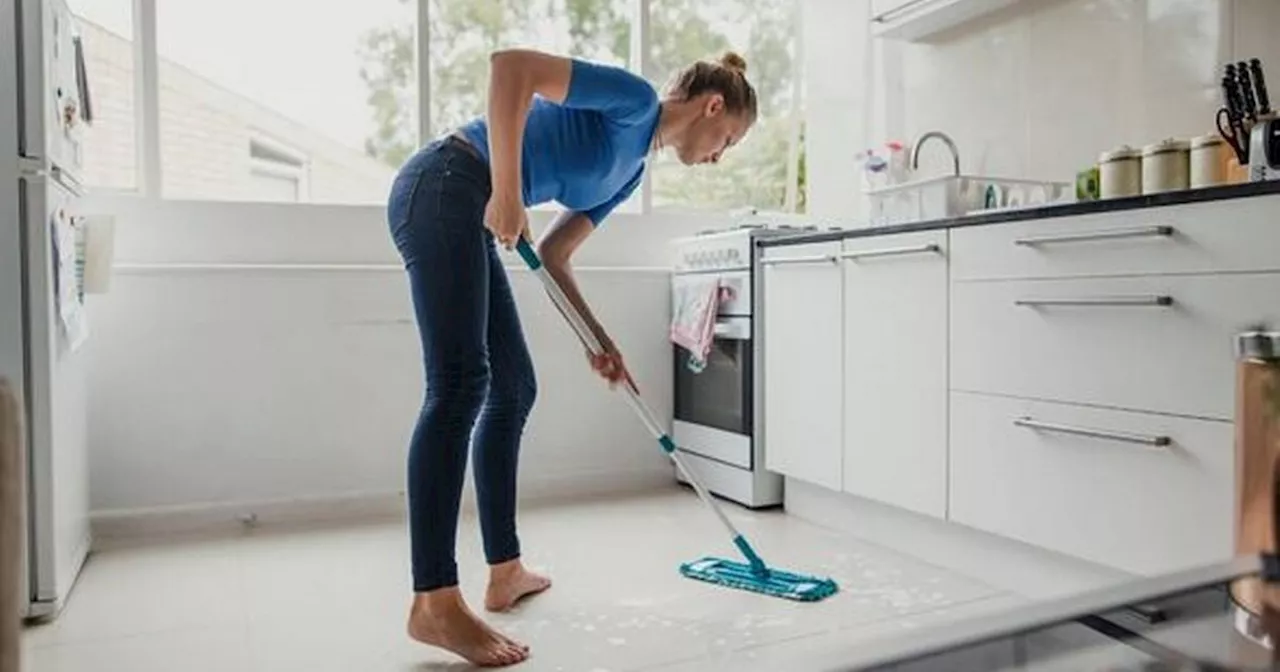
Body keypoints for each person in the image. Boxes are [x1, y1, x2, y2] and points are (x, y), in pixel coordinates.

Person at [385, 47, 758, 667]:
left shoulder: (631, 172)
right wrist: (509, 192)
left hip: (472, 205)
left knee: (513, 389)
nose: (720, 155)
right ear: (712, 106)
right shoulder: (634, 101)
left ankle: (504, 571)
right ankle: (434, 600)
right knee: (458, 385)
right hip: (446, 180)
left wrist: (599, 341)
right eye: (728, 140)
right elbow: (511, 70)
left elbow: (555, 254)